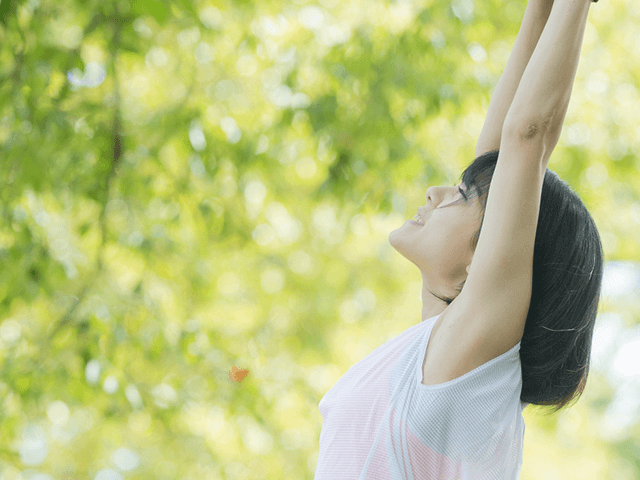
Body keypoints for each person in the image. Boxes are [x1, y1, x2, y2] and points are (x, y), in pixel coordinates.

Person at [314, 0, 603, 477]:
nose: (436, 191)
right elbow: (497, 155)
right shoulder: (437, 346)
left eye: (463, 194)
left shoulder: (465, 357)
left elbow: (527, 137)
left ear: (487, 258)